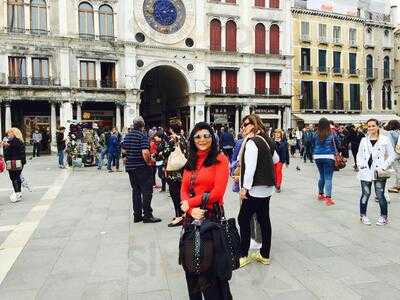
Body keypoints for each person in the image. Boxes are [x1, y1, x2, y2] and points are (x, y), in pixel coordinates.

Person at [180, 122, 232, 300]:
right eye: (198, 136)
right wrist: (191, 209)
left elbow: (217, 193)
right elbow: (183, 189)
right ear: (192, 139)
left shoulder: (220, 159)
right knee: (191, 268)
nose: (202, 140)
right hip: (191, 222)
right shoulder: (191, 161)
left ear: (212, 138)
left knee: (211, 271)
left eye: (206, 135)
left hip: (211, 222)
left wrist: (189, 204)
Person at [238, 114, 279, 268]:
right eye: (242, 125)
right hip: (267, 188)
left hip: (254, 188)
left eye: (246, 124)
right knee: (264, 219)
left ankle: (243, 254)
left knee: (242, 218)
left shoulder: (252, 142)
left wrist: (244, 188)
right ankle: (264, 255)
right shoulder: (267, 140)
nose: (243, 127)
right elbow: (276, 159)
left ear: (254, 124)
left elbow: (250, 168)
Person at [357, 119, 396, 226]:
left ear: (377, 126)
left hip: (379, 171)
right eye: (369, 126)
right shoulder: (363, 140)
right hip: (366, 172)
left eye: (373, 126)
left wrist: (384, 167)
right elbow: (359, 155)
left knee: (380, 195)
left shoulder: (385, 139)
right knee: (365, 194)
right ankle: (363, 215)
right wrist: (361, 166)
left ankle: (384, 217)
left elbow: (392, 155)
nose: (370, 128)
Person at [122, 116, 161, 223]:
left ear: (134, 125)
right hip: (141, 167)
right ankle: (147, 215)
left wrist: (127, 161)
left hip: (131, 168)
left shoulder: (128, 136)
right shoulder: (142, 136)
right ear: (143, 126)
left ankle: (137, 215)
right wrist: (149, 162)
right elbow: (145, 152)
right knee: (147, 191)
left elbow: (124, 151)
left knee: (136, 191)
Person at [312, 118, 339, 206]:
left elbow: (312, 143)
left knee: (321, 176)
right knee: (328, 177)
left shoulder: (315, 133)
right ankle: (328, 198)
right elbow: (338, 142)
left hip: (317, 156)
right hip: (328, 156)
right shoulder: (332, 133)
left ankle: (320, 194)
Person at [165, 120, 187, 227]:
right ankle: (183, 214)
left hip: (174, 172)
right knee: (181, 193)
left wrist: (156, 156)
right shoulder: (183, 138)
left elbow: (165, 152)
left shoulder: (172, 139)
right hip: (183, 170)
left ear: (171, 129)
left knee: (175, 194)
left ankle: (179, 217)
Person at [2, 128, 27, 203]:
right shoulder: (12, 141)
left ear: (14, 133)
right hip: (14, 162)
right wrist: (5, 145)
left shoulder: (16, 141)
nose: (8, 134)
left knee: (14, 177)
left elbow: (14, 151)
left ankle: (17, 193)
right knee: (15, 177)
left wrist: (7, 145)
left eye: (10, 133)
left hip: (15, 162)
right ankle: (18, 192)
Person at [384, 120, 400, 193]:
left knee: (397, 171)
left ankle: (398, 186)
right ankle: (397, 185)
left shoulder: (390, 133)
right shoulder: (399, 132)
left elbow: (390, 145)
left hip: (395, 154)